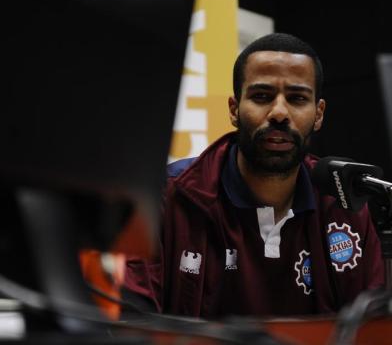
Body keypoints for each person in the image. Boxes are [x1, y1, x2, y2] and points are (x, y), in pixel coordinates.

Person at [124, 33, 384, 318]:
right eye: (262, 96)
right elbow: (135, 322)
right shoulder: (167, 196)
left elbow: (370, 328)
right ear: (234, 109)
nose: (279, 113)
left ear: (318, 114)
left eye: (297, 98)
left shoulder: (343, 202)